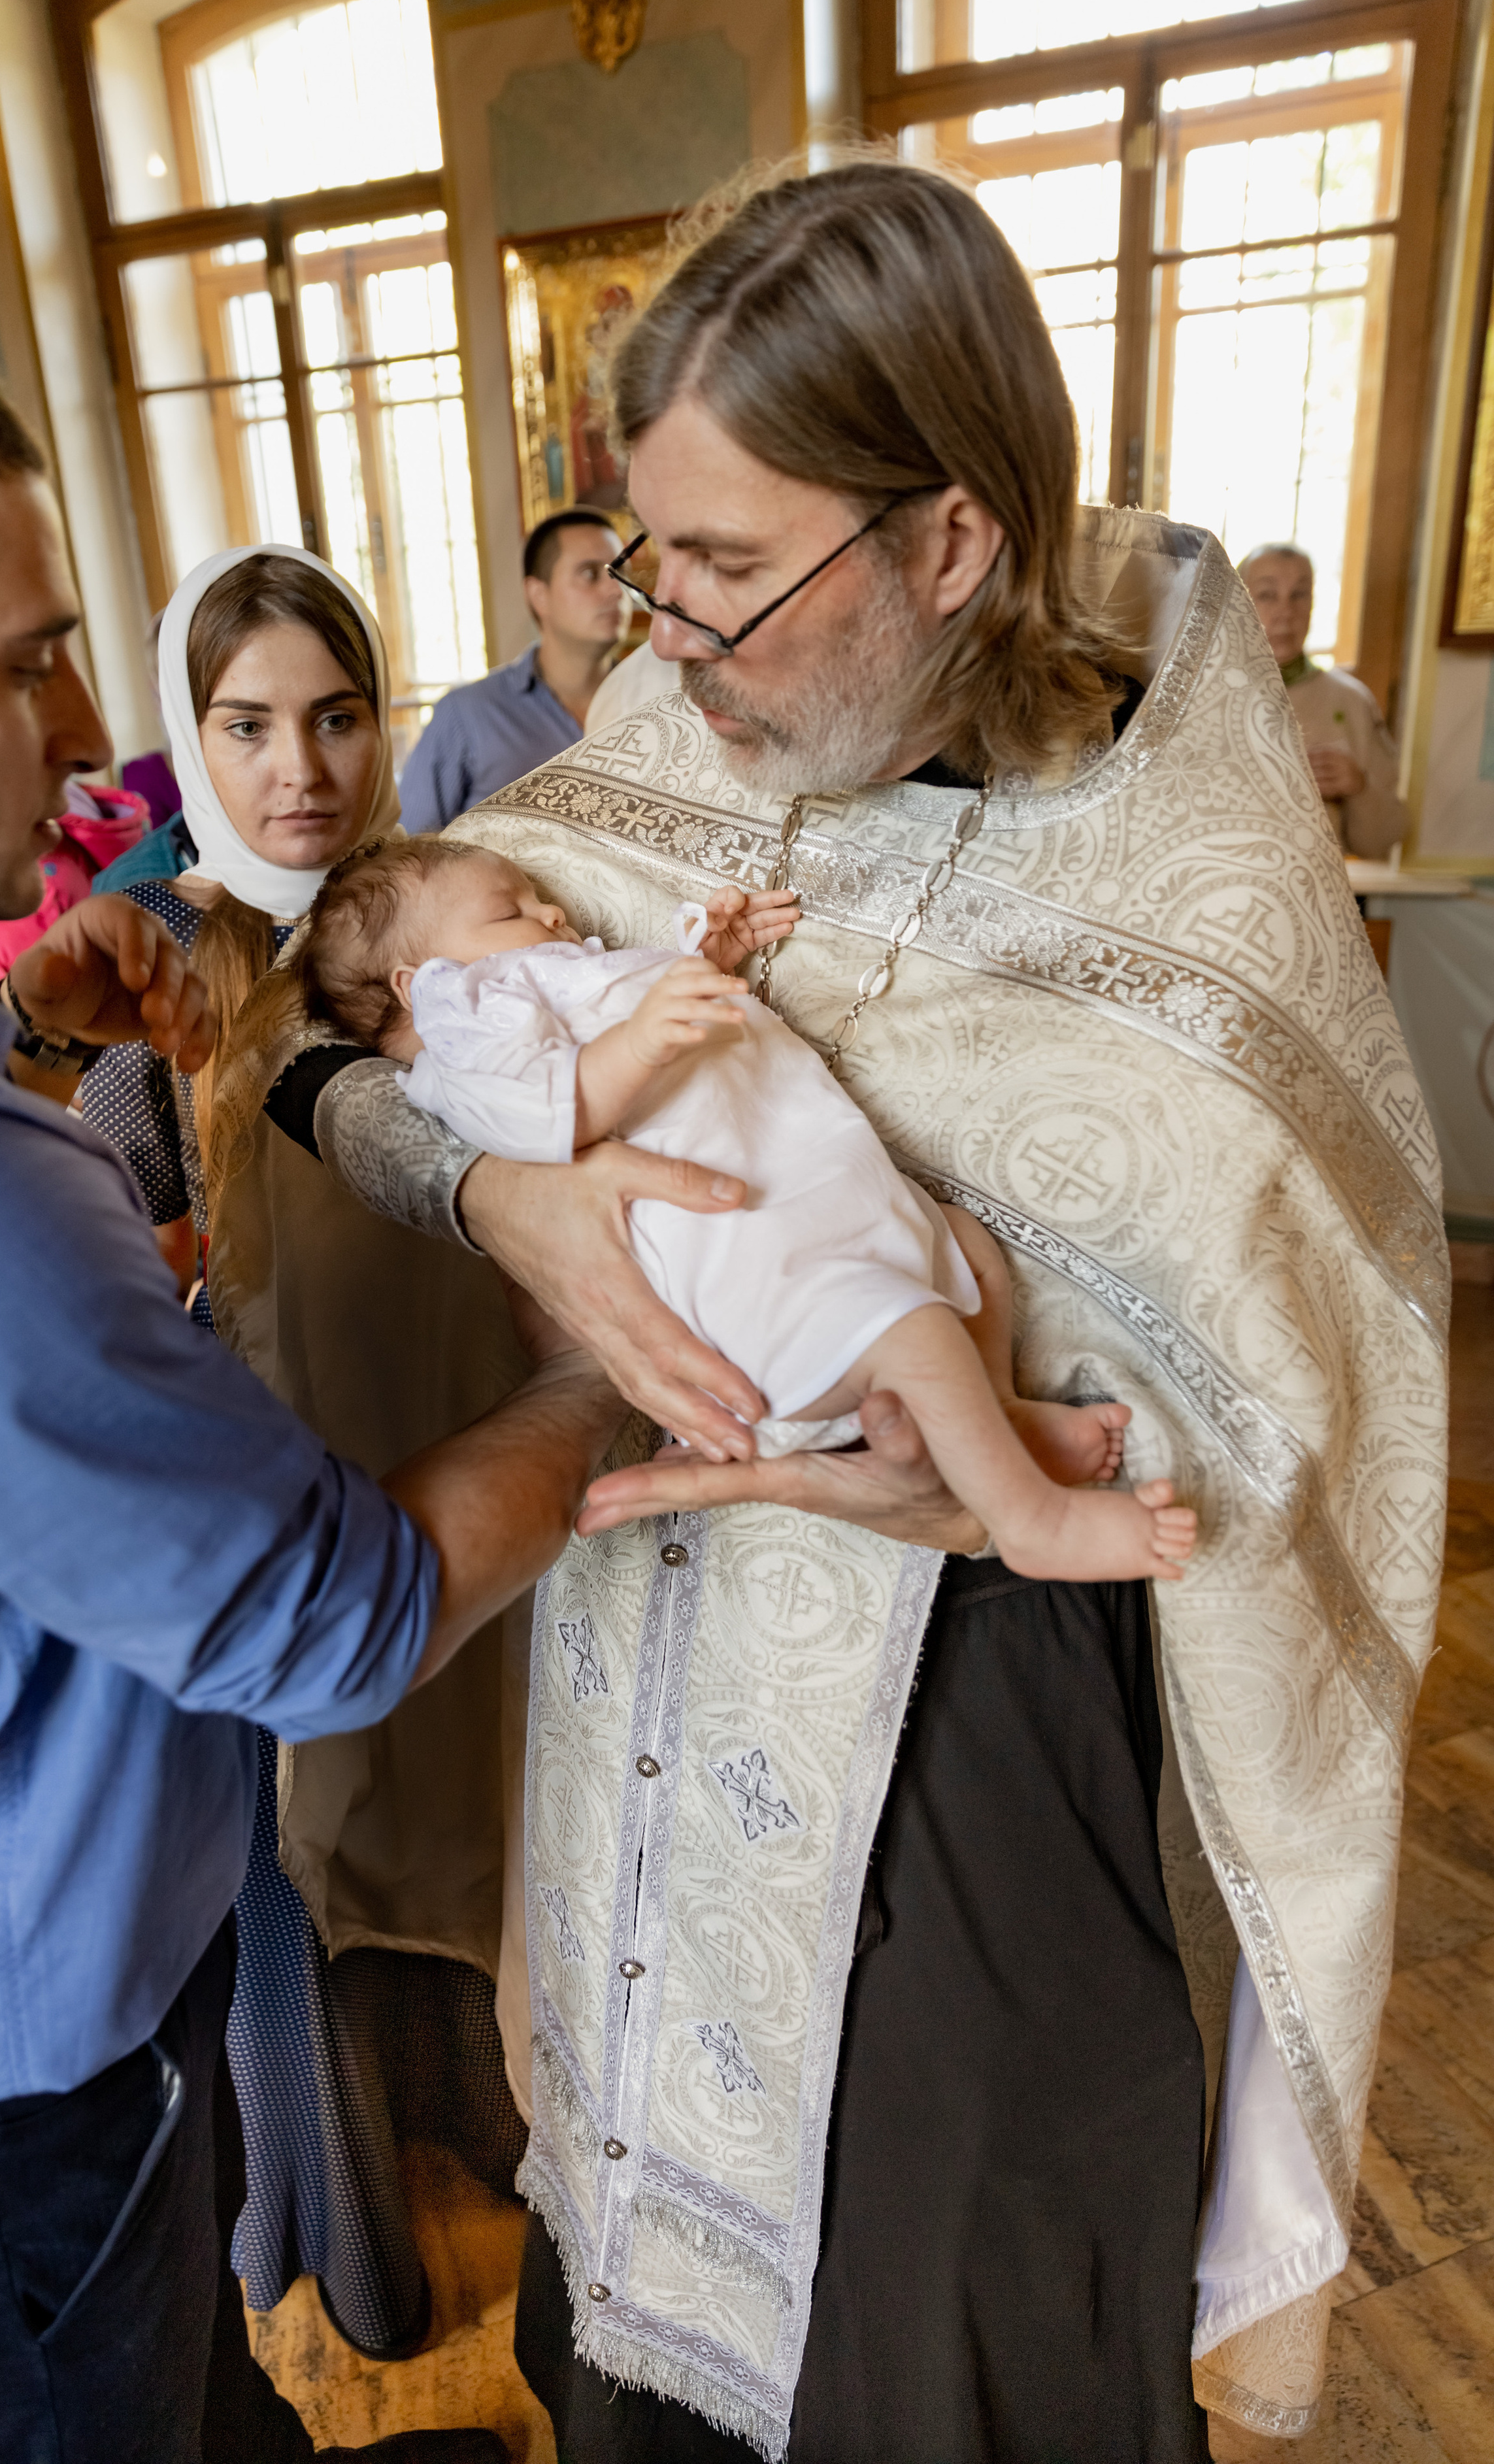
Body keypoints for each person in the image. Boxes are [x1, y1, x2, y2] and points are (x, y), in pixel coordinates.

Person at [241, 157, 1447, 2461]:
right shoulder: (654, 782)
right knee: (638, 2338)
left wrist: (1001, 1457)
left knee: (939, 2362)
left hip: (983, 1774)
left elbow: (1316, 1385)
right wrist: (509, 1197)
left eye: (716, 574)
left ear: (951, 542)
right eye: (639, 566)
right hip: (651, 1734)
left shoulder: (1194, 878)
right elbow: (322, 1060)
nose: (654, 643)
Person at [0, 305, 636, 2461]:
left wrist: (38, 1057)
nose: (95, 733)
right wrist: (623, 1356)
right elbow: (333, 1619)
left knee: (194, 2399)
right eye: (24, 661)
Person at [77, 544, 548, 2367]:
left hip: (480, 1483)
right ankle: (351, 2233)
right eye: (249, 724)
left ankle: (508, 2133)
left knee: (486, 1830)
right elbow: (100, 1252)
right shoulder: (158, 976)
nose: (303, 767)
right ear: (187, 741)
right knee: (320, 1879)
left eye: (340, 714)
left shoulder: (440, 924)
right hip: (297, 1533)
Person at [286, 834, 1197, 1580]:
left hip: (816, 1211)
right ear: (420, 982)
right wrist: (645, 1036)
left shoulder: (541, 979)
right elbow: (544, 1110)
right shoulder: (465, 1025)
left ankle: (994, 1418)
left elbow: (647, 1031)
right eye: (510, 909)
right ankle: (1032, 1520)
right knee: (914, 1327)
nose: (551, 912)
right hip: (763, 1281)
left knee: (963, 1251)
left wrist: (701, 962)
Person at [399, 509, 627, 831]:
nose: (616, 591)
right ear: (538, 595)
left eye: (620, 574)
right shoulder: (465, 716)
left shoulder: (658, 701)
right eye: (590, 575)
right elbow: (412, 849)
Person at [1240, 541, 1408, 856]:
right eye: (1267, 595)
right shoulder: (1204, 695)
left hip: (1319, 894)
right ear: (1238, 603)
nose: (1286, 613)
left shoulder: (1351, 702)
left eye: (1299, 595)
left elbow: (1383, 844)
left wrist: (1359, 789)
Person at [0, 774, 149, 993]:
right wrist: (4, 980)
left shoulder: (62, 807)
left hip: (109, 986)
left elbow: (123, 875)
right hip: (18, 1004)